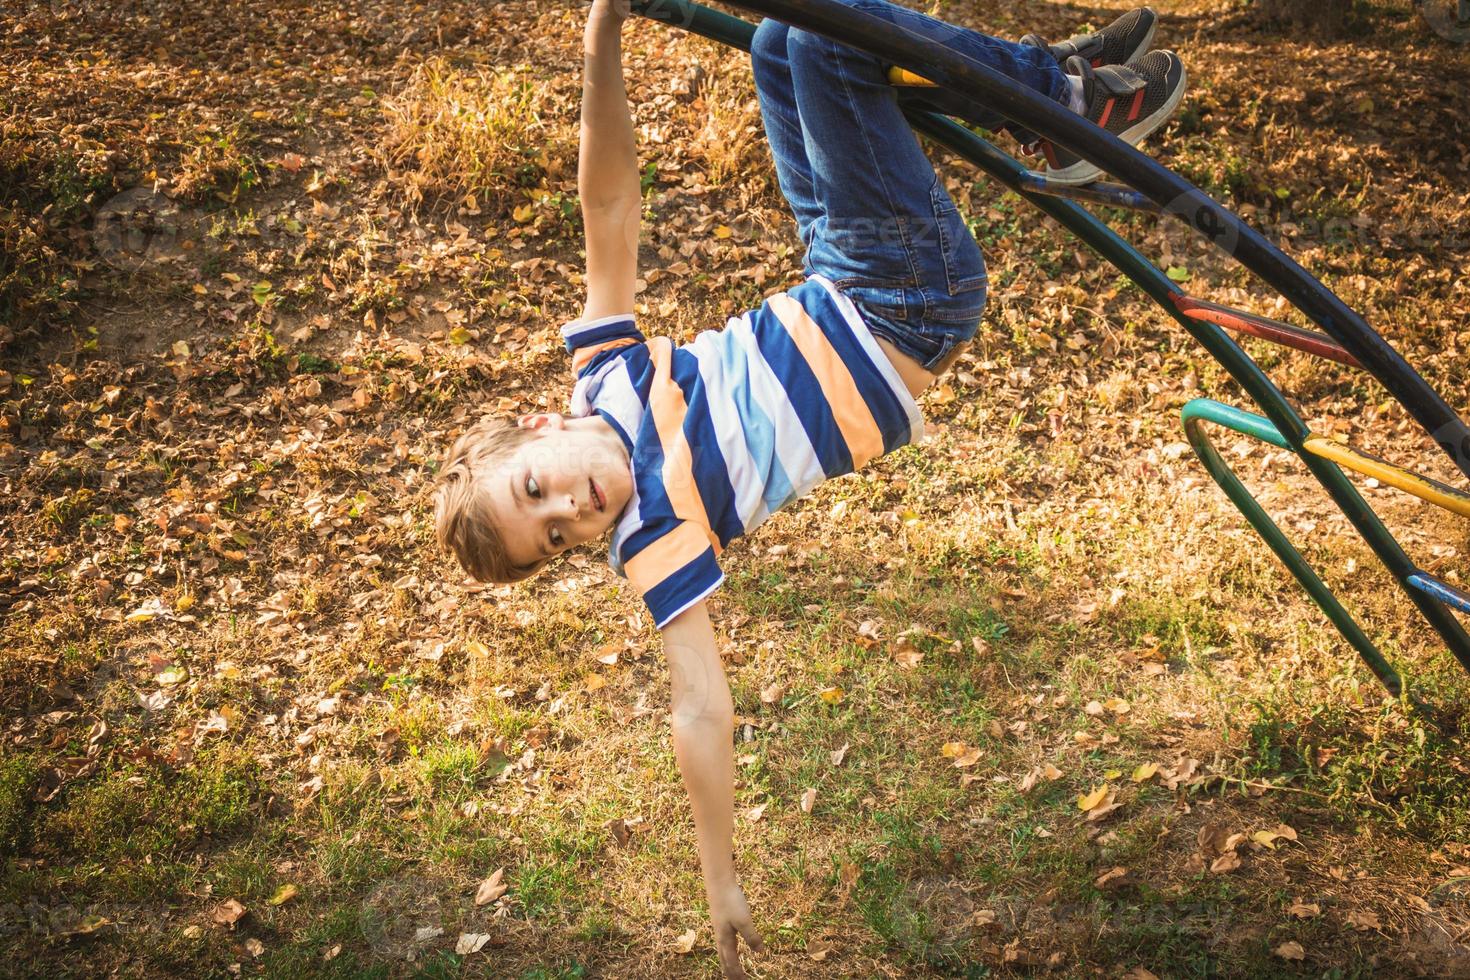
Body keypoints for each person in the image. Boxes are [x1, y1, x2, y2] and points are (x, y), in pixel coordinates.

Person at [432, 1, 1186, 975]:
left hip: (839, 271)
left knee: (785, 40)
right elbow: (700, 708)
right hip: (901, 303)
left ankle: (1049, 81)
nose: (569, 513)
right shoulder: (655, 532)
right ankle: (1063, 101)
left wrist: (601, 33)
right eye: (556, 540)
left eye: (535, 489)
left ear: (541, 425)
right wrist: (719, 876)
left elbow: (609, 205)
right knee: (832, 40)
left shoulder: (604, 373)